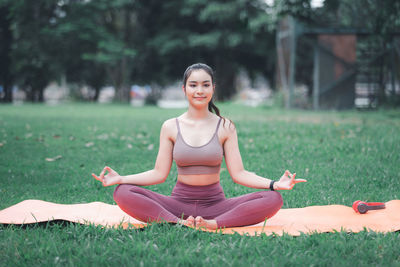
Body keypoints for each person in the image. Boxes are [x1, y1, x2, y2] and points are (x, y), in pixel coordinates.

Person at [92, 63, 307, 230]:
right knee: (123, 192)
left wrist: (273, 184)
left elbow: (239, 174)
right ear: (184, 88)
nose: (199, 90)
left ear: (213, 88)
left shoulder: (225, 126)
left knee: (273, 199)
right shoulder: (170, 126)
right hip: (178, 204)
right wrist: (121, 179)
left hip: (216, 205)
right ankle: (176, 222)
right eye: (193, 85)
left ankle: (213, 224)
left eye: (205, 84)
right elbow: (158, 174)